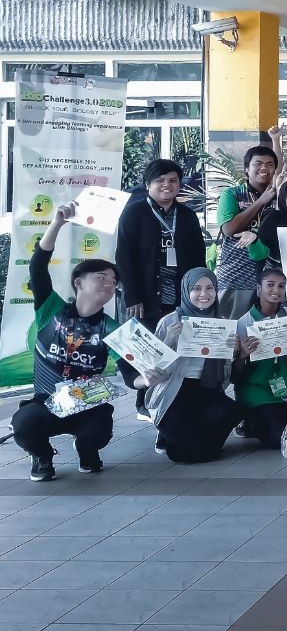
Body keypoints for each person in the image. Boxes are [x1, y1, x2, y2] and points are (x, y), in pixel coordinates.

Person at [13, 202, 126, 481]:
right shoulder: (51, 309)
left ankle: (87, 449)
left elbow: (130, 365)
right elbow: (37, 266)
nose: (109, 284)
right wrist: (57, 223)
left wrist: (143, 379)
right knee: (25, 424)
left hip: (86, 405)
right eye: (101, 277)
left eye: (113, 282)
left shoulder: (111, 328)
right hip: (45, 404)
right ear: (78, 282)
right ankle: (42, 455)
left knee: (99, 429)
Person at [114, 157, 206, 419]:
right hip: (144, 295)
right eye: (160, 180)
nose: (167, 185)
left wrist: (198, 294)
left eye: (173, 180)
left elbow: (198, 256)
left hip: (178, 294)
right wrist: (132, 295)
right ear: (148, 184)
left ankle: (175, 395)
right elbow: (124, 257)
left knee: (176, 344)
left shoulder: (186, 215)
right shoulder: (134, 213)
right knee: (148, 346)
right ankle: (143, 400)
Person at [143, 268, 241, 463]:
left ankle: (203, 443)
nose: (204, 294)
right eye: (196, 288)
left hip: (207, 389)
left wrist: (233, 352)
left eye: (209, 288)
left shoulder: (222, 323)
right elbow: (151, 366)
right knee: (182, 454)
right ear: (186, 291)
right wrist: (169, 340)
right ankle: (168, 433)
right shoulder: (170, 321)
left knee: (230, 411)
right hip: (175, 391)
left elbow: (227, 375)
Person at [231, 266, 287, 449]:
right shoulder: (243, 323)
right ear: (259, 289)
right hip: (257, 389)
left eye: (281, 286)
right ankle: (249, 420)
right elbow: (235, 377)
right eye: (270, 285)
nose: (276, 290)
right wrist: (242, 355)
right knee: (278, 439)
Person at [216, 145, 280, 320]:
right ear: (246, 168)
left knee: (267, 331)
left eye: (270, 164)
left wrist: (276, 140)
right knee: (233, 330)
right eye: (258, 164)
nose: (264, 168)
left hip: (271, 279)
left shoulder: (279, 196)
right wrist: (260, 202)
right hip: (236, 276)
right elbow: (229, 229)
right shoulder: (233, 194)